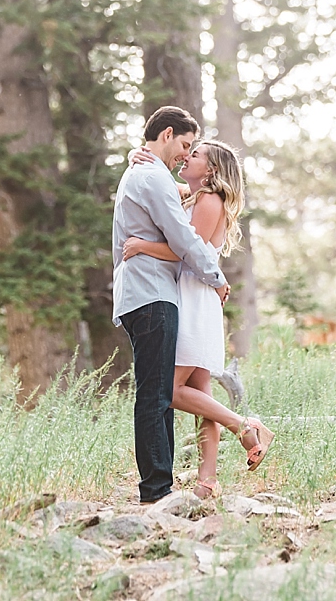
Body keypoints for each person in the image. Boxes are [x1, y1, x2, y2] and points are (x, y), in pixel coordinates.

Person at [125, 140, 274, 499]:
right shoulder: (195, 196)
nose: (186, 157)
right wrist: (138, 157)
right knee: (201, 394)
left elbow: (185, 252)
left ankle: (245, 425)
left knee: (169, 390)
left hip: (195, 299)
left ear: (210, 170)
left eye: (194, 155)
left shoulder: (209, 201)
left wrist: (141, 246)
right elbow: (165, 185)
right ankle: (208, 482)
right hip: (194, 296)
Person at [112, 106, 230, 504]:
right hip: (151, 294)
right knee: (156, 395)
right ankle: (156, 491)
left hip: (148, 293)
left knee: (160, 393)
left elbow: (182, 206)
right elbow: (182, 239)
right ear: (166, 135)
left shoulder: (148, 173)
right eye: (184, 144)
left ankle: (163, 487)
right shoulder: (152, 176)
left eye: (193, 150)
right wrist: (217, 277)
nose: (185, 153)